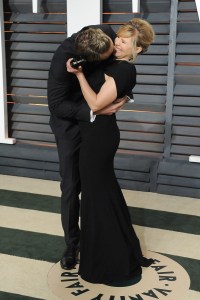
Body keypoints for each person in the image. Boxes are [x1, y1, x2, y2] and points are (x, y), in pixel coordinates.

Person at [66, 18, 155, 285]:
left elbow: (94, 104)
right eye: (118, 37)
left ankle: (110, 259)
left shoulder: (124, 70)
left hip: (99, 138)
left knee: (96, 197)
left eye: (124, 41)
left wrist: (79, 75)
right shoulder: (113, 65)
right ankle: (118, 248)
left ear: (137, 49)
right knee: (104, 194)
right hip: (97, 135)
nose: (116, 42)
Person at [47, 24, 128, 270]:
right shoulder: (63, 61)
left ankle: (101, 237)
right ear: (89, 60)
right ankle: (72, 245)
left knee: (97, 180)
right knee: (72, 186)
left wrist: (124, 92)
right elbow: (57, 107)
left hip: (98, 121)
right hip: (70, 123)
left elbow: (122, 64)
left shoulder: (107, 34)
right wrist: (97, 109)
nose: (115, 51)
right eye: (108, 55)